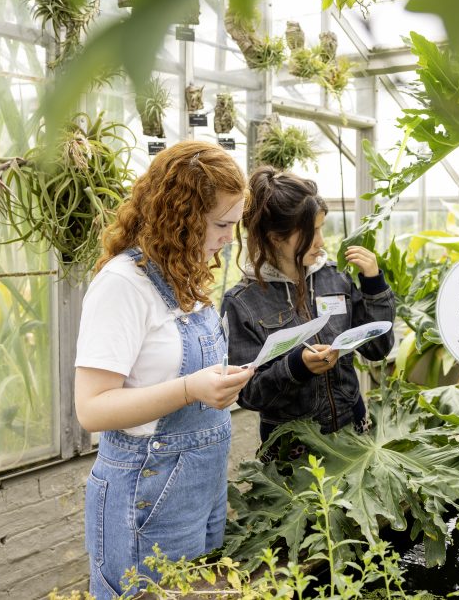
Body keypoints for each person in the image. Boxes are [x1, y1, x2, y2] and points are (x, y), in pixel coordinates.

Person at [74, 141, 254, 598]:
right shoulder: (122, 285)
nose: (229, 239)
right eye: (221, 224)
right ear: (181, 216)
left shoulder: (185, 273)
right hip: (147, 495)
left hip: (202, 487)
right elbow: (91, 410)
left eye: (235, 225)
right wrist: (191, 388)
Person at [221, 166, 395, 449]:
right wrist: (296, 367)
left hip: (355, 434)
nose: (321, 242)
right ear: (276, 237)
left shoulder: (334, 278)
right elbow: (249, 394)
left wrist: (374, 285)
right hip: (295, 454)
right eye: (311, 232)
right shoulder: (242, 302)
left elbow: (378, 349)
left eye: (321, 228)